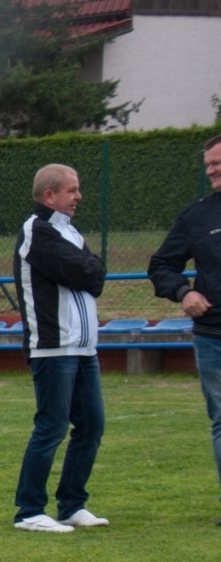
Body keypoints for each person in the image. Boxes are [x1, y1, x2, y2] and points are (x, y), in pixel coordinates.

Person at [12, 163, 109, 534]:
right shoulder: (36, 231)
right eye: (72, 190)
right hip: (53, 348)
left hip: (84, 349)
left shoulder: (69, 232)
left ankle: (72, 504)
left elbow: (95, 272)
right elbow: (88, 272)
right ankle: (29, 510)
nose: (78, 196)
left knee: (92, 424)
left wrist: (88, 268)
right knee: (51, 426)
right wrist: (88, 269)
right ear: (49, 195)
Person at [148, 132, 221, 520]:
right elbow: (160, 265)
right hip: (214, 336)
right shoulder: (197, 216)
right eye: (208, 163)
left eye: (217, 162)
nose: (210, 169)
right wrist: (183, 292)